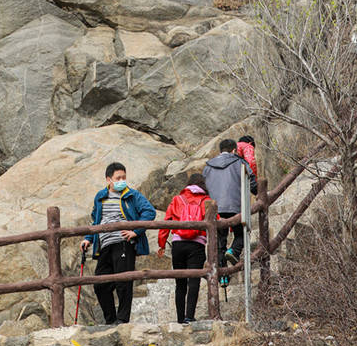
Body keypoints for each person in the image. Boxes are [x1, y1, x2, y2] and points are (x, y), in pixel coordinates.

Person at [81, 162, 156, 325]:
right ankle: (110, 320)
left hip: (123, 242)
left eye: (124, 177)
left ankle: (122, 320)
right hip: (104, 244)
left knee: (123, 281)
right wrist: (88, 238)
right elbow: (96, 220)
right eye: (118, 178)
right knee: (100, 284)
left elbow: (149, 212)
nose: (122, 180)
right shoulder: (100, 196)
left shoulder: (132, 195)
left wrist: (135, 231)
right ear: (109, 179)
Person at [157, 173, 212, 324]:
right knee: (193, 280)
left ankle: (180, 318)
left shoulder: (177, 199)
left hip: (178, 244)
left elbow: (166, 223)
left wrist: (161, 244)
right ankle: (189, 316)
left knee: (180, 283)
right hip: (197, 244)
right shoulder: (207, 201)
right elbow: (216, 222)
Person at [203, 138, 256, 272]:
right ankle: (234, 251)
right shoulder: (240, 162)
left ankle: (223, 274)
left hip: (215, 209)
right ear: (234, 150)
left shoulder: (208, 166)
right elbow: (252, 181)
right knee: (241, 233)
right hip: (235, 206)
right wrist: (258, 193)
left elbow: (204, 187)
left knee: (220, 240)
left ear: (220, 151)